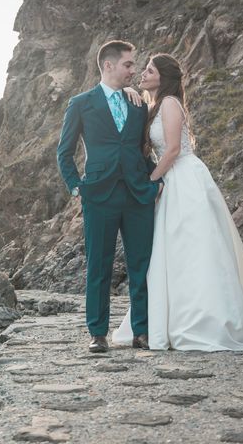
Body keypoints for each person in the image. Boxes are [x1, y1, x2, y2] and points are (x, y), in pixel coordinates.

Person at [112, 53, 243, 351]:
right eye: (143, 69)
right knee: (171, 249)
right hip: (170, 179)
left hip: (184, 178)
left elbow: (172, 150)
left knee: (195, 247)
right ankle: (171, 319)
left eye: (149, 70)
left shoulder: (171, 103)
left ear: (163, 76)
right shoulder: (153, 105)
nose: (143, 74)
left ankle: (205, 321)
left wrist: (151, 182)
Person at [57, 40, 162, 353]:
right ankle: (97, 333)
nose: (134, 70)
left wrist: (155, 183)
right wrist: (77, 186)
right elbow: (64, 151)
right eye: (129, 64)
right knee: (98, 266)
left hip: (137, 193)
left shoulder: (137, 102)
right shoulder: (81, 103)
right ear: (108, 65)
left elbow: (144, 148)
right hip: (98, 194)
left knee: (142, 265)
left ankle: (141, 332)